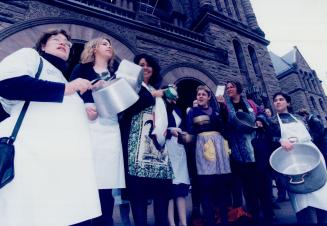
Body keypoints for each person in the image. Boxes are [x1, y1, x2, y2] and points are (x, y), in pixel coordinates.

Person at [0, 29, 101, 226]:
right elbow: (7, 84)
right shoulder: (30, 57)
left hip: (59, 170)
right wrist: (66, 89)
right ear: (43, 46)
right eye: (56, 39)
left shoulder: (62, 78)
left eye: (68, 43)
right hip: (30, 161)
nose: (63, 43)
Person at [70, 37, 125, 226]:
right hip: (88, 126)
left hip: (110, 129)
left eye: (110, 44)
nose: (109, 46)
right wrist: (86, 105)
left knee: (106, 183)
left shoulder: (115, 75)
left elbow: (122, 104)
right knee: (87, 179)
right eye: (104, 44)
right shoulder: (81, 69)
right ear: (94, 49)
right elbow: (70, 95)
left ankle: (105, 221)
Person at [119, 53, 173, 226]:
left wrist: (169, 103)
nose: (146, 67)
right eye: (141, 65)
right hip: (136, 152)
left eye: (149, 64)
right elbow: (129, 108)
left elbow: (164, 120)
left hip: (159, 151)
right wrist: (154, 96)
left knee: (162, 195)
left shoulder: (156, 89)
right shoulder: (129, 86)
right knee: (138, 197)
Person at [270, 92, 327, 224]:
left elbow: (318, 134)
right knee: (302, 201)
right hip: (292, 162)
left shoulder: (300, 118)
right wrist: (279, 140)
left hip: (313, 157)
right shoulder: (272, 121)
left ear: (288, 103)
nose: (277, 102)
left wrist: (313, 119)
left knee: (322, 198)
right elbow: (268, 138)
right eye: (275, 100)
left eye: (281, 99)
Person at [186, 85, 231, 226]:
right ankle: (209, 221)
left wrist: (223, 105)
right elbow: (189, 130)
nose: (200, 96)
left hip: (219, 151)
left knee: (221, 187)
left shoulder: (217, 111)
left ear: (209, 97)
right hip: (202, 151)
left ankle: (223, 220)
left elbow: (225, 124)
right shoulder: (192, 112)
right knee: (206, 187)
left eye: (203, 94)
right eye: (198, 94)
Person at [217, 80, 260, 222]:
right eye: (227, 87)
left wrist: (260, 120)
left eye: (232, 87)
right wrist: (222, 106)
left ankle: (255, 213)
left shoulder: (250, 103)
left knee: (252, 184)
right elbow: (224, 123)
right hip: (235, 149)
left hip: (253, 148)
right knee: (237, 185)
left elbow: (259, 114)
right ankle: (240, 214)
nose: (229, 89)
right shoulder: (225, 105)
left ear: (238, 89)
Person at [163, 85, 190, 226]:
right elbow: (158, 128)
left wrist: (184, 134)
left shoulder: (179, 110)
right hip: (167, 148)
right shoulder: (162, 108)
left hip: (179, 149)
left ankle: (183, 222)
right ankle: (172, 223)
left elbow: (184, 126)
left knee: (181, 189)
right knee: (171, 189)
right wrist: (169, 131)